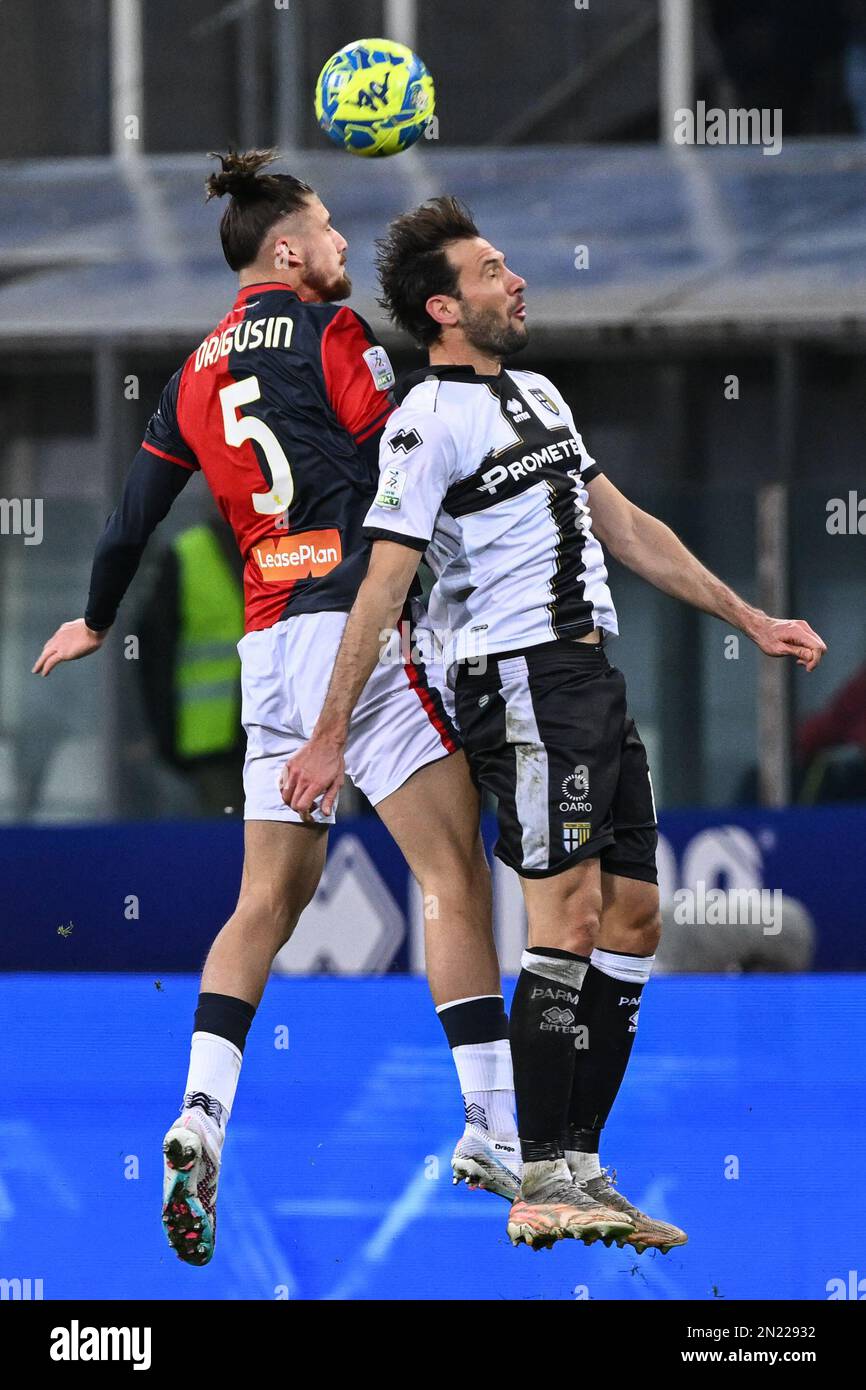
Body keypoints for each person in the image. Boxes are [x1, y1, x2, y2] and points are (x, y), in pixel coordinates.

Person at [281, 196, 827, 1252]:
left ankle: (577, 1161)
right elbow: (383, 581)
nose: (513, 280)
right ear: (444, 308)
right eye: (490, 271)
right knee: (564, 913)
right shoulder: (423, 423)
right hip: (517, 681)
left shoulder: (536, 392)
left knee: (632, 920)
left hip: (589, 677)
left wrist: (744, 614)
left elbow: (622, 526)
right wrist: (327, 732)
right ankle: (534, 1172)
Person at [32, 156, 522, 1267]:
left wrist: (98, 620)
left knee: (263, 902)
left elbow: (130, 517)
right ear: (287, 251)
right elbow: (400, 462)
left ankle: (201, 1110)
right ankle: (492, 1124)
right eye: (331, 229)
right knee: (451, 874)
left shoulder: (190, 375)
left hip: (269, 651)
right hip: (355, 629)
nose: (346, 245)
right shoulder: (335, 339)